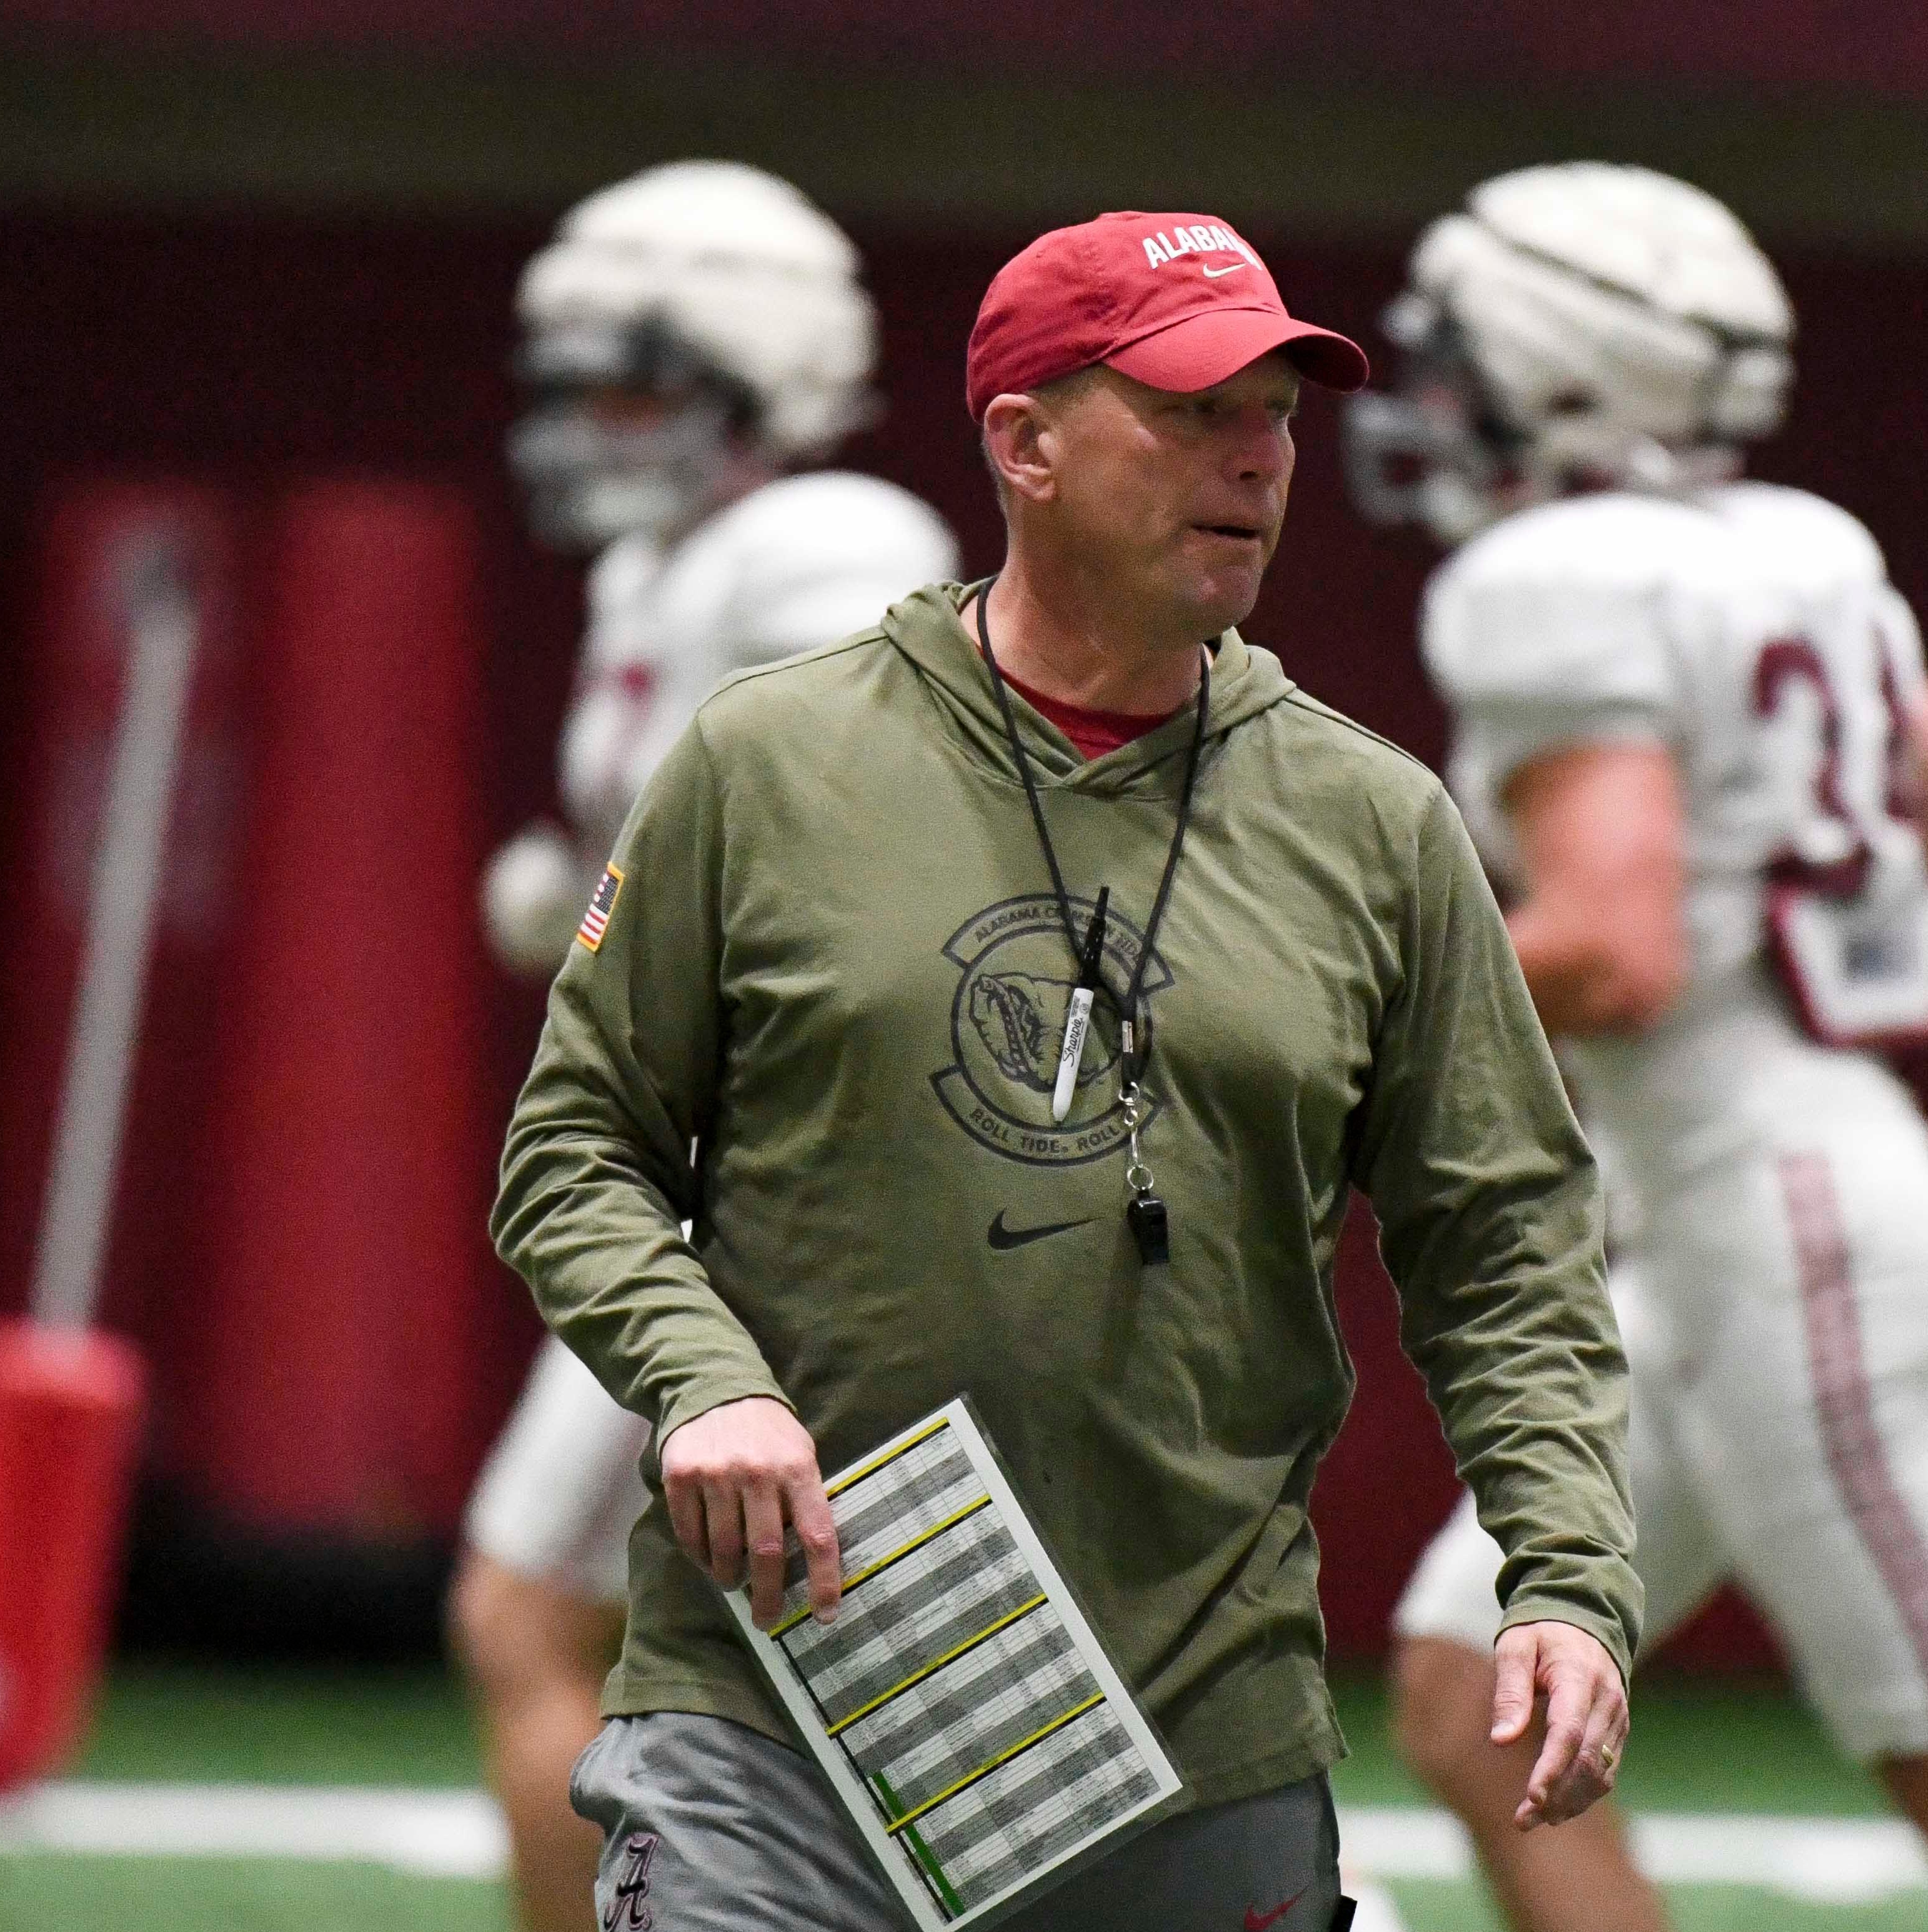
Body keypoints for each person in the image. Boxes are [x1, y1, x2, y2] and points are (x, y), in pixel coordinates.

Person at [491, 207, 1642, 1932]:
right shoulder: (767, 760)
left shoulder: (1377, 822)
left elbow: (1508, 1244)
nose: (1254, 459)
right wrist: (702, 1377)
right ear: (1022, 443)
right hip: (782, 1704)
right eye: (1191, 411)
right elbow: (573, 1148)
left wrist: (1566, 1576)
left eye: (1276, 416)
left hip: (1200, 1730)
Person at [1351, 163, 1928, 1932]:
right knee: (1471, 1694)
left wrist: (1321, 987)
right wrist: (1812, 1038)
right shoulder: (1798, 553)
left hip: (1778, 1226)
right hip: (1766, 1201)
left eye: (1467, 357)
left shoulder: (1554, 573)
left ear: (1566, 376)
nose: (1433, 399)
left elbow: (1617, 941)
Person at [451, 158, 958, 1932]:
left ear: (764, 379)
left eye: (644, 383)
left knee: (541, 1612)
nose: (602, 426)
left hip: (761, 1182)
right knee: (925, 1692)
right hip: (723, 1163)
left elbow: (835, 863)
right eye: (586, 383)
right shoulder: (678, 565)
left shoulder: (824, 549)